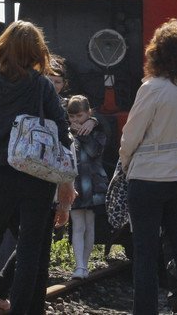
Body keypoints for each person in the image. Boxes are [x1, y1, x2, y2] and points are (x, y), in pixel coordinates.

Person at [0, 21, 75, 314]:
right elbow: (61, 126)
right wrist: (67, 175)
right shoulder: (41, 84)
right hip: (34, 166)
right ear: (36, 51)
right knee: (30, 237)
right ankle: (22, 304)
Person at [120, 19, 177, 315]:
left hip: (148, 180)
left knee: (146, 255)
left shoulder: (152, 89)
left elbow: (132, 134)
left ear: (156, 54)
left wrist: (125, 163)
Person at [66, 95, 108, 280]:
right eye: (72, 116)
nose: (76, 120)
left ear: (88, 113)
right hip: (74, 184)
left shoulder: (97, 131)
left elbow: (94, 151)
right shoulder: (66, 132)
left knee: (89, 225)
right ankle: (80, 266)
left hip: (93, 184)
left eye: (80, 116)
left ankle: (85, 263)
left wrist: (84, 134)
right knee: (77, 225)